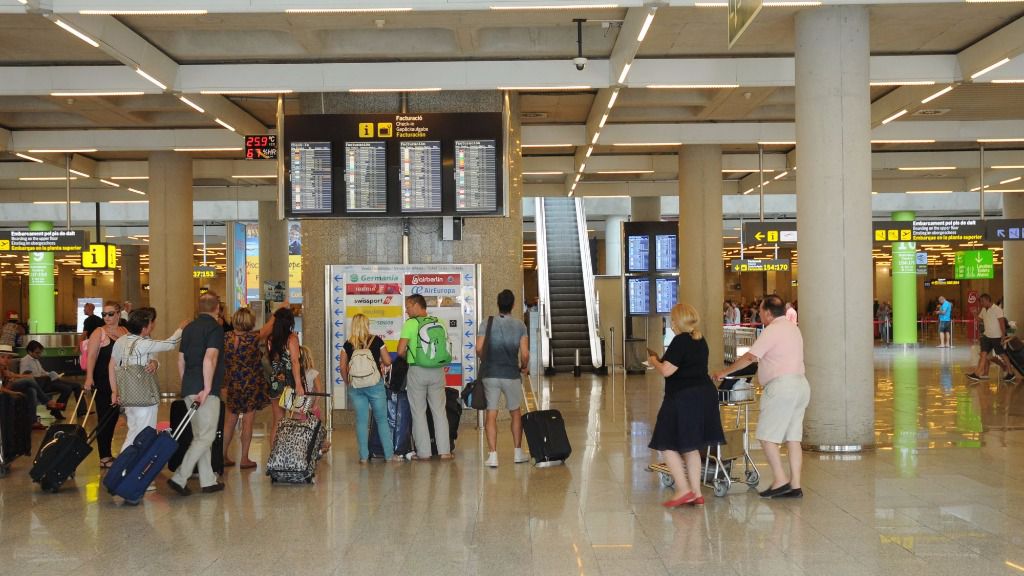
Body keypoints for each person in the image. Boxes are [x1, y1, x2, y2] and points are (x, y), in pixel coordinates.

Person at [714, 295, 809, 499]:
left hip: (782, 388)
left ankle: (781, 480)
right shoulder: (793, 328)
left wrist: (724, 372)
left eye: (761, 310)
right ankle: (795, 485)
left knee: (766, 437)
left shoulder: (772, 330)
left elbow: (750, 357)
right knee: (793, 438)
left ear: (766, 312)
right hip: (800, 385)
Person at [649, 303, 726, 507]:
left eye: (672, 319)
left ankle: (683, 489)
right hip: (703, 395)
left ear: (678, 321)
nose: (671, 323)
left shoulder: (680, 341)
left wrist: (654, 361)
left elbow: (667, 370)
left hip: (683, 397)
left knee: (665, 441)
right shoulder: (700, 340)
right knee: (691, 446)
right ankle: (696, 492)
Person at [167, 293, 226, 496]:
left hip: (189, 387)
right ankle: (179, 477)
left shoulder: (189, 328)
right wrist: (207, 388)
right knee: (206, 436)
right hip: (205, 389)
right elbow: (210, 358)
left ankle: (208, 480)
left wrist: (188, 385)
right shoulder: (215, 329)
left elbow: (180, 360)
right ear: (217, 308)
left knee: (201, 436)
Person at [110, 308, 182, 454]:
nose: (153, 324)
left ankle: (124, 467)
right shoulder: (142, 343)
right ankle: (134, 468)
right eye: (152, 322)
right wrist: (181, 328)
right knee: (144, 435)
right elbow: (171, 343)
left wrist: (155, 363)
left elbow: (114, 366)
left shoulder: (122, 341)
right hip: (144, 399)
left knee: (133, 433)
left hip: (129, 397)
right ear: (144, 327)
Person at [477, 289, 530, 468]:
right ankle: (517, 452)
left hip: (490, 374)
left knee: (491, 413)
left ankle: (493, 456)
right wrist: (523, 367)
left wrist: (488, 360)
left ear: (498, 303)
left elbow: (478, 349)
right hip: (511, 375)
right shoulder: (520, 326)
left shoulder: (486, 323)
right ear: (513, 305)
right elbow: (525, 354)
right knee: (515, 412)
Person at [397, 294, 453, 461]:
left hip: (418, 371)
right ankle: (445, 452)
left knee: (419, 412)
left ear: (415, 305)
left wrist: (409, 354)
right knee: (439, 411)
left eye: (408, 307)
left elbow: (400, 351)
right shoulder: (438, 322)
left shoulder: (411, 324)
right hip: (438, 371)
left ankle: (424, 453)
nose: (406, 311)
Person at [340, 313, 395, 463]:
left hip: (356, 387)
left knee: (361, 421)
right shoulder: (376, 341)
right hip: (375, 385)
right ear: (366, 325)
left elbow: (342, 367)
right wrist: (381, 362)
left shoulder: (347, 344)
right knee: (382, 420)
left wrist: (348, 383)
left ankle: (364, 457)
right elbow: (388, 361)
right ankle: (389, 455)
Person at [222, 307, 271, 469]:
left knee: (229, 421)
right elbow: (269, 327)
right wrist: (279, 310)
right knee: (248, 422)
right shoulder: (253, 338)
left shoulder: (226, 337)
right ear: (250, 322)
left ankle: (222, 456)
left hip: (231, 383)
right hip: (250, 384)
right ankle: (244, 458)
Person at [83, 301, 129, 468]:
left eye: (110, 314)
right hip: (103, 380)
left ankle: (108, 454)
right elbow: (92, 356)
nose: (107, 317)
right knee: (105, 418)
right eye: (104, 314)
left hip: (120, 380)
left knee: (114, 416)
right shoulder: (99, 332)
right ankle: (104, 456)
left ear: (118, 314)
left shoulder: (124, 331)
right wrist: (89, 377)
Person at [266, 306, 305, 449]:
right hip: (290, 383)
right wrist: (299, 384)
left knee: (277, 420)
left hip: (275, 383)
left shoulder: (270, 339)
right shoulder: (292, 338)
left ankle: (274, 454)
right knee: (297, 417)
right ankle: (296, 451)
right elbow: (294, 361)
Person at [0, 343, 63, 429]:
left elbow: (13, 375)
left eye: (8, 357)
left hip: (10, 386)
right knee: (29, 380)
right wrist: (13, 392)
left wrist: (24, 376)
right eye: (2, 357)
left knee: (31, 390)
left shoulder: (4, 367)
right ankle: (47, 401)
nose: (6, 360)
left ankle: (32, 422)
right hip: (5, 390)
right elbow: (1, 388)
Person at [21, 340, 84, 420]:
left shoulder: (35, 359)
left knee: (77, 386)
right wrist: (44, 376)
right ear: (30, 351)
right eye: (37, 353)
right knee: (67, 388)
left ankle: (82, 410)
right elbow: (24, 375)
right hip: (41, 384)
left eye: (40, 353)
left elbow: (42, 372)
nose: (39, 355)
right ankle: (56, 410)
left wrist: (51, 374)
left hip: (47, 381)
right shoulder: (25, 361)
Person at [967, 293, 1013, 382]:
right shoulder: (984, 309)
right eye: (980, 302)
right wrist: (974, 314)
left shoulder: (997, 309)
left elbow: (1002, 323)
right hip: (987, 336)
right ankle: (977, 374)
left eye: (982, 301)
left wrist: (1003, 336)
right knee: (983, 355)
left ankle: (1010, 373)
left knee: (1002, 354)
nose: (981, 303)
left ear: (988, 300)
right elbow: (979, 320)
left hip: (997, 337)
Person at [299, 345, 331, 453]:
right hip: (310, 403)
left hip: (298, 404)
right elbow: (319, 390)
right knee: (315, 426)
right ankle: (321, 444)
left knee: (301, 427)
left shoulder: (294, 373)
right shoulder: (313, 372)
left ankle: (305, 447)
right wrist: (315, 404)